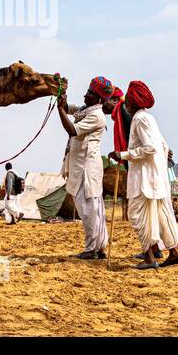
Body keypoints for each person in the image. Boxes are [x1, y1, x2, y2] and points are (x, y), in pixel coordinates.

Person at [109, 81, 178, 269]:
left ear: (133, 101)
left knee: (137, 215)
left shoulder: (140, 119)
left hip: (144, 178)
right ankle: (173, 253)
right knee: (158, 216)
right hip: (155, 177)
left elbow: (150, 148)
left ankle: (150, 258)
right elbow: (164, 147)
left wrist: (124, 154)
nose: (125, 102)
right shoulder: (149, 119)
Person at [57, 77, 119, 259]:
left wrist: (61, 109)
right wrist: (62, 93)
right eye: (88, 91)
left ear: (99, 99)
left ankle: (93, 248)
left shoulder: (96, 116)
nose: (86, 95)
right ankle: (99, 247)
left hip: (87, 167)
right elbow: (70, 108)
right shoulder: (86, 109)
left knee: (89, 209)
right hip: (80, 165)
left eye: (91, 93)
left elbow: (71, 130)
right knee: (91, 207)